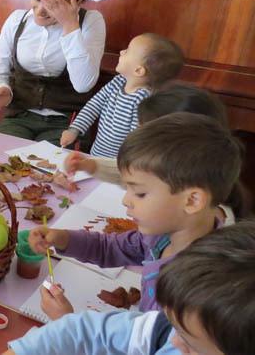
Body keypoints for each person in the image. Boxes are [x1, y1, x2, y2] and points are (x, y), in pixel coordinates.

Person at [28, 113, 245, 320]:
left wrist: (67, 323)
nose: (126, 200)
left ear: (192, 201)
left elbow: (151, 342)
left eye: (140, 193)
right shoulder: (163, 236)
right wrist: (62, 238)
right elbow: (110, 247)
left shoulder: (195, 295)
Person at [3, 220, 255, 355]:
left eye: (192, 346)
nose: (175, 342)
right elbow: (88, 331)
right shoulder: (170, 330)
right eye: (176, 328)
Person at [63, 83, 248, 226]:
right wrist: (92, 165)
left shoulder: (208, 223)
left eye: (141, 194)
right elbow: (139, 176)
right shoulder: (184, 174)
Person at [0, 0, 107, 146]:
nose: (40, 10)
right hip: (20, 116)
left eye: (52, 5)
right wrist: (3, 90)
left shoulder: (91, 21)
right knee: (0, 156)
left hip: (67, 124)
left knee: (46, 163)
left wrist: (70, 24)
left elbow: (83, 84)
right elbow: (1, 71)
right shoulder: (17, 20)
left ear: (77, 2)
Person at [60, 33, 185, 156]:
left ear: (138, 70)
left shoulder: (143, 100)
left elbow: (136, 140)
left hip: (119, 163)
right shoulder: (117, 82)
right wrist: (74, 129)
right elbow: (93, 106)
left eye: (128, 51)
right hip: (97, 155)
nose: (121, 52)